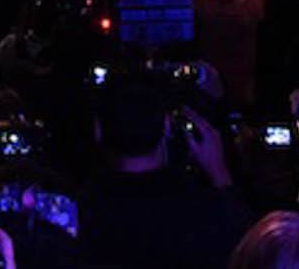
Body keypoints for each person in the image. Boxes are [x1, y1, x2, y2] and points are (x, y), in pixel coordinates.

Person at [77, 75, 252, 269]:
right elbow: (251, 254)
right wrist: (220, 173)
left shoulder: (78, 212)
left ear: (98, 130)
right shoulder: (204, 212)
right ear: (167, 126)